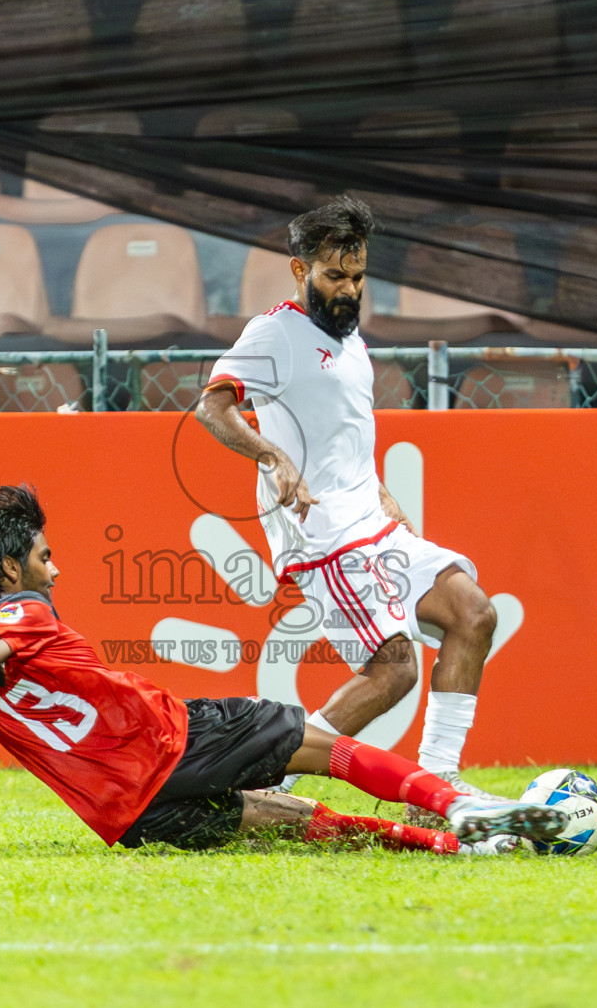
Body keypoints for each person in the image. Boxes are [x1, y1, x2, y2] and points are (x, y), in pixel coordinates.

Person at [0, 485, 566, 856]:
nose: (55, 568)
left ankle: (451, 849)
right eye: (45, 556)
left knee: (287, 819)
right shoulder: (20, 613)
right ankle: (464, 809)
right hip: (176, 738)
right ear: (12, 571)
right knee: (328, 750)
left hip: (130, 819)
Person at [194, 196, 504, 816]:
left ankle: (436, 783)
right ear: (299, 270)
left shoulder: (350, 336)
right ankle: (269, 781)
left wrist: (384, 494)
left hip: (373, 524)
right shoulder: (275, 332)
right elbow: (212, 407)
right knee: (394, 670)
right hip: (324, 535)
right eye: (334, 276)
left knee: (474, 613)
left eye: (358, 276)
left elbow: (345, 433)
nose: (348, 289)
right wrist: (270, 456)